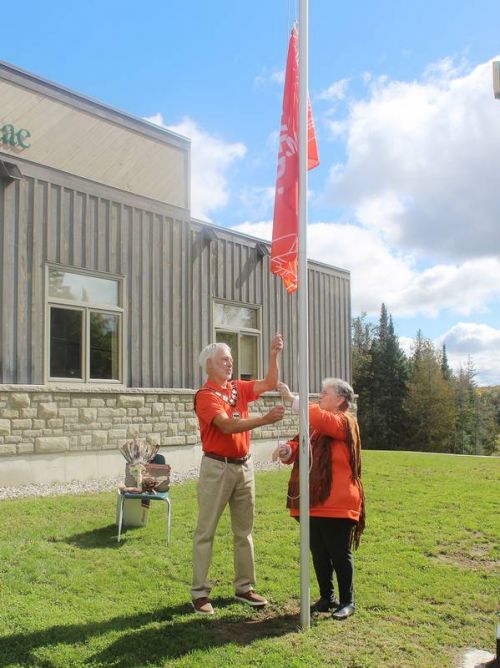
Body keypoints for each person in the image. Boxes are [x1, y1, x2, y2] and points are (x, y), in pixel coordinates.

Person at [191, 335, 285, 615]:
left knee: (244, 531)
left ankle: (244, 588)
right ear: (209, 365)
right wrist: (265, 420)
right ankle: (199, 593)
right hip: (217, 467)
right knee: (206, 531)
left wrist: (273, 355)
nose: (230, 361)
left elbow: (269, 384)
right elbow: (226, 426)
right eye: (224, 358)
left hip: (244, 466)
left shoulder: (237, 389)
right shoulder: (205, 397)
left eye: (231, 358)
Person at [276, 378, 365, 620]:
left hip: (338, 502)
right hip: (313, 501)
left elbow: (322, 420)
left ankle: (348, 601)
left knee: (339, 553)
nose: (319, 395)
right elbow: (301, 442)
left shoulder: (345, 422)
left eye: (325, 393)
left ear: (340, 400)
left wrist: (293, 399)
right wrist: (288, 450)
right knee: (318, 552)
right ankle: (328, 597)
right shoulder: (316, 425)